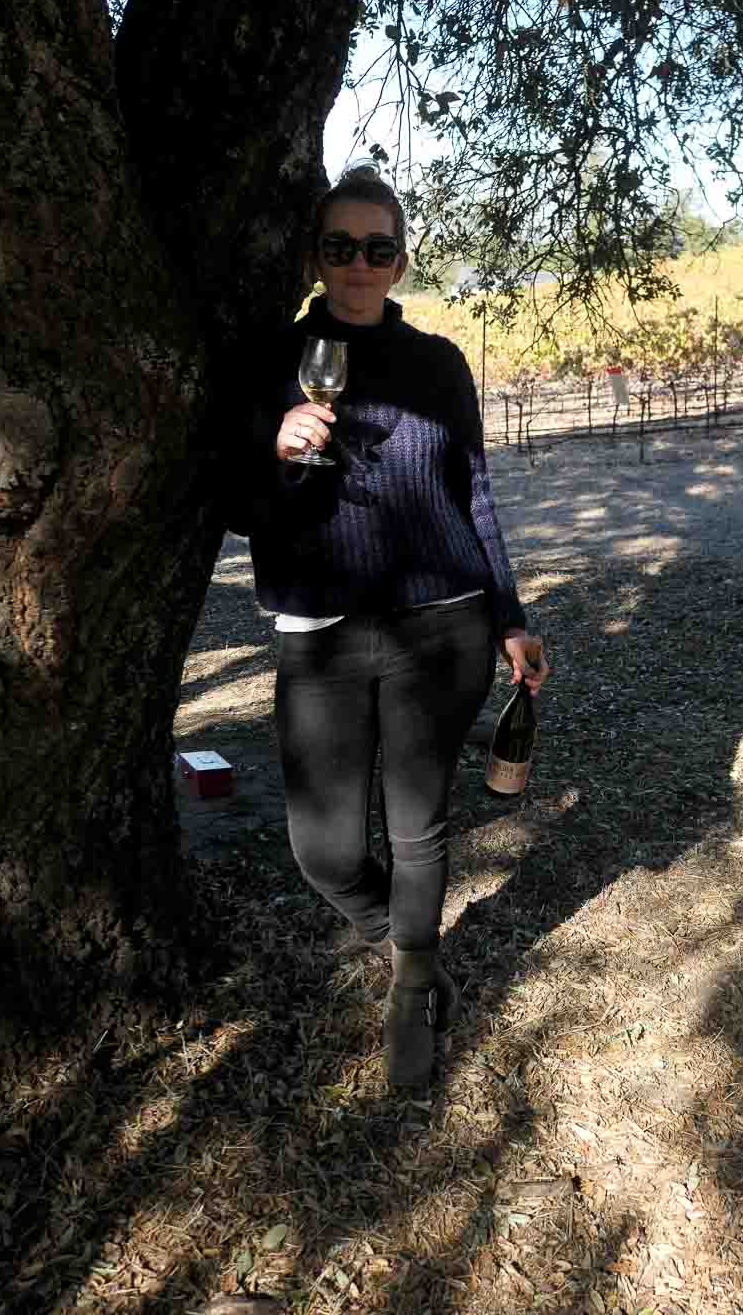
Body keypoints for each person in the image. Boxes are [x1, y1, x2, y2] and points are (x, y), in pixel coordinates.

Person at [234, 165, 548, 1091]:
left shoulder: (439, 365)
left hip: (440, 624)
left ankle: (413, 984)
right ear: (316, 257)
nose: (360, 264)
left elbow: (474, 494)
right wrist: (282, 454)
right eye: (341, 247)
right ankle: (398, 937)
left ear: (400, 260)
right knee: (323, 847)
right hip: (320, 626)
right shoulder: (270, 361)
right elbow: (240, 506)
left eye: (378, 248)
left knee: (418, 825)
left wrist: (511, 617)